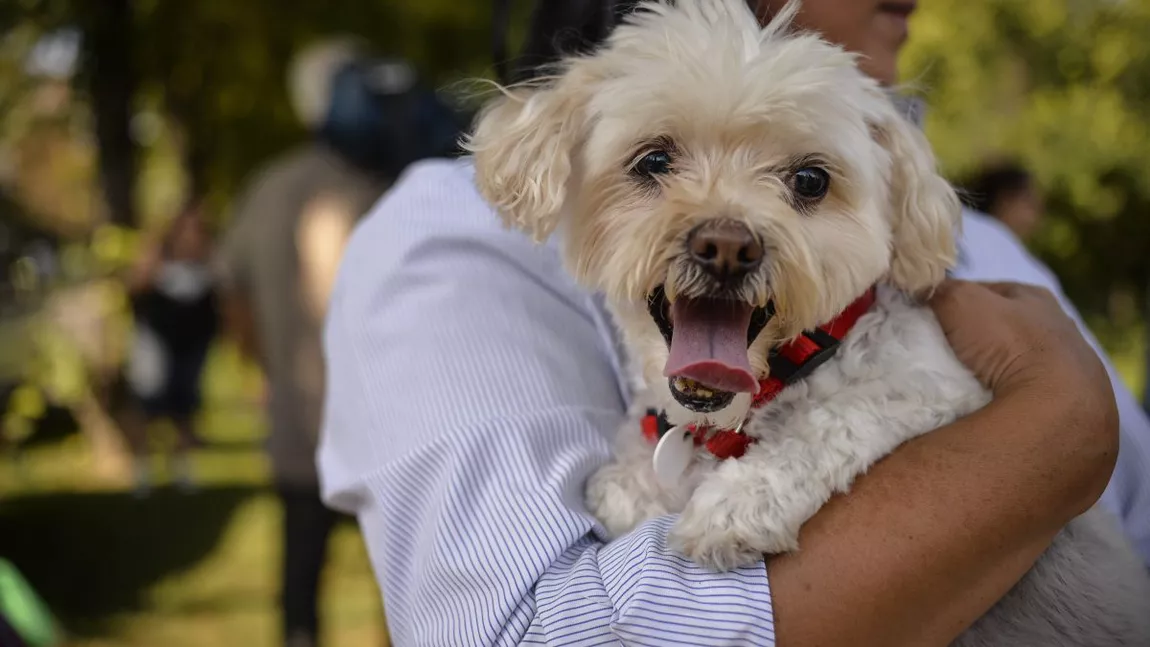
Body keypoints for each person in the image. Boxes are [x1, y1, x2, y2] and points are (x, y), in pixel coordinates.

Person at [318, 1, 1150, 645]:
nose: (728, 237)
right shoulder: (448, 240)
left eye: (807, 183)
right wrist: (1053, 432)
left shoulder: (989, 252)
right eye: (656, 164)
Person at [214, 37, 465, 647]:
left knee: (300, 579)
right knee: (407, 583)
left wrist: (265, 367)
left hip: (299, 429)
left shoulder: (267, 186)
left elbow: (232, 294)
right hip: (386, 432)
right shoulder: (389, 190)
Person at [124, 201, 218, 496]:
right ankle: (144, 473)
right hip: (155, 347)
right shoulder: (158, 262)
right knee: (147, 410)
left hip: (191, 347)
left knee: (185, 409)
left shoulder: (207, 266)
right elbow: (133, 292)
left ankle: (182, 471)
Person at [961, 160, 1044, 241]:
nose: (1033, 218)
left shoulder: (1007, 247)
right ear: (1005, 200)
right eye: (1029, 205)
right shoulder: (970, 235)